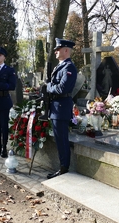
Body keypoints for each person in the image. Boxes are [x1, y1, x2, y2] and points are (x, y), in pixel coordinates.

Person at [46, 38, 77, 179]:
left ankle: (64, 168)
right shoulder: (60, 66)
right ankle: (62, 166)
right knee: (59, 139)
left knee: (62, 140)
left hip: (61, 108)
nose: (56, 52)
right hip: (56, 108)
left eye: (58, 49)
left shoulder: (69, 67)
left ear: (66, 50)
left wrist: (48, 87)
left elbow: (62, 88)